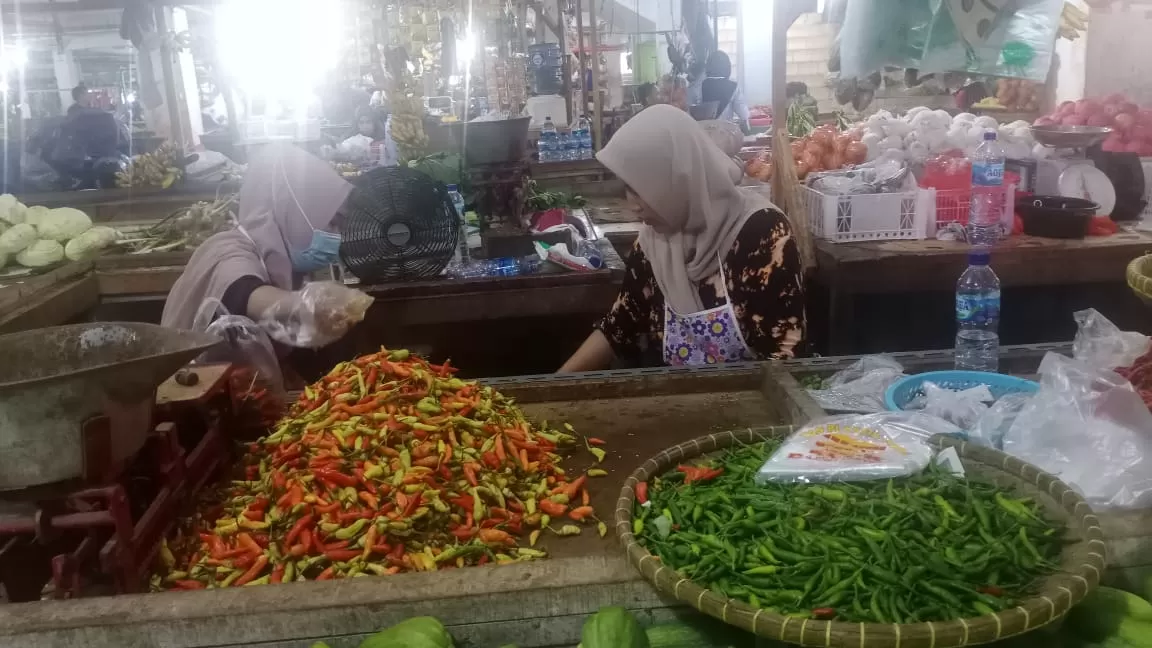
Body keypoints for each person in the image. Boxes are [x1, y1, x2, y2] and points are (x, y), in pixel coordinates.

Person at [559, 105, 806, 372]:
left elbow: (784, 354)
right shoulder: (654, 242)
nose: (634, 206)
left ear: (678, 178)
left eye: (643, 188)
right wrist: (554, 385)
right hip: (674, 403)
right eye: (628, 188)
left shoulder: (763, 233)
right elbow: (619, 324)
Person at [161, 144, 366, 344]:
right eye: (332, 222)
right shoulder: (227, 252)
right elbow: (247, 294)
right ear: (292, 215)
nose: (336, 236)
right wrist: (308, 304)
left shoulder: (282, 263)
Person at [689, 51, 750, 133]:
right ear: (728, 68)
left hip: (702, 136)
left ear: (708, 67)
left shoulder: (697, 86)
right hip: (725, 137)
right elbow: (744, 115)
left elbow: (689, 111)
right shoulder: (733, 86)